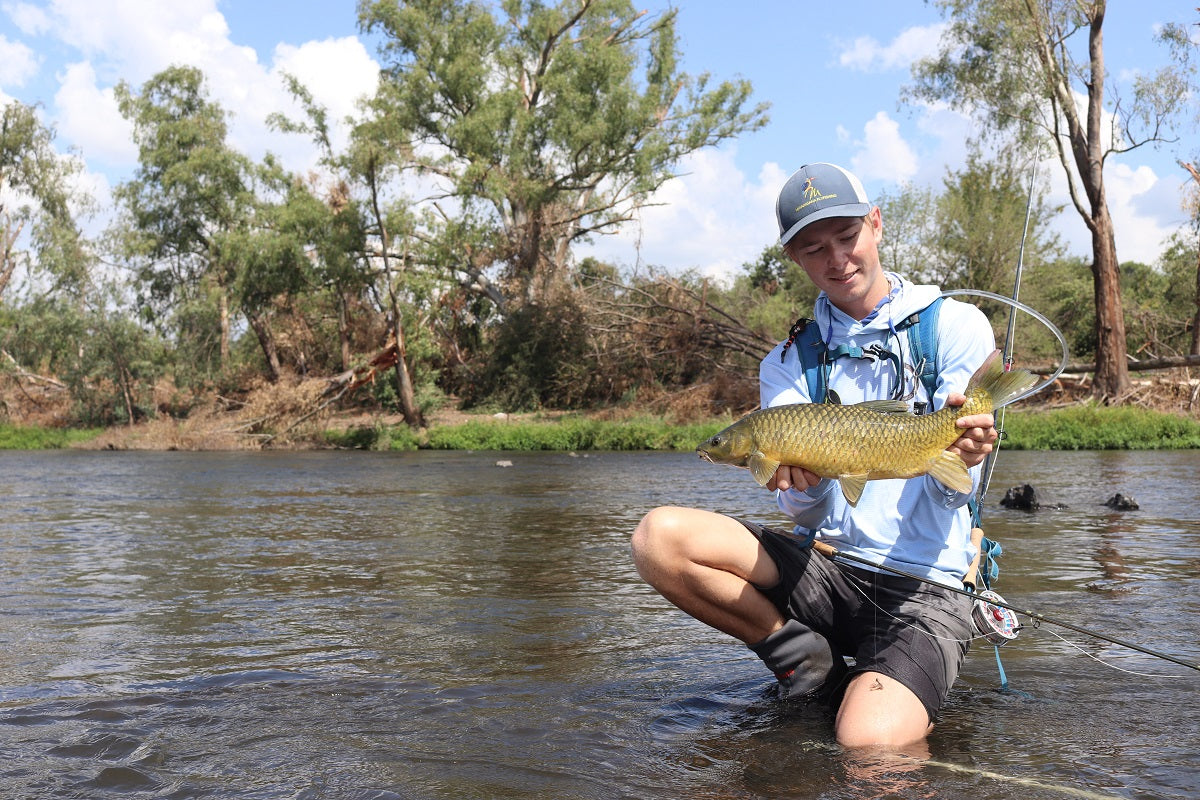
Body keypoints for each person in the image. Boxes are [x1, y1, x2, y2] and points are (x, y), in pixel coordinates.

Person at [630, 162, 1000, 749]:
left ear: (875, 225)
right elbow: (809, 515)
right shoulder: (787, 360)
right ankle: (802, 657)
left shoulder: (954, 326)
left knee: (867, 747)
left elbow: (953, 490)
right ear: (795, 260)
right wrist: (803, 484)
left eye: (848, 237)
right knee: (659, 538)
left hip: (925, 587)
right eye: (814, 248)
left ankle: (875, 688)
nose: (838, 260)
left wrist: (972, 455)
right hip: (830, 567)